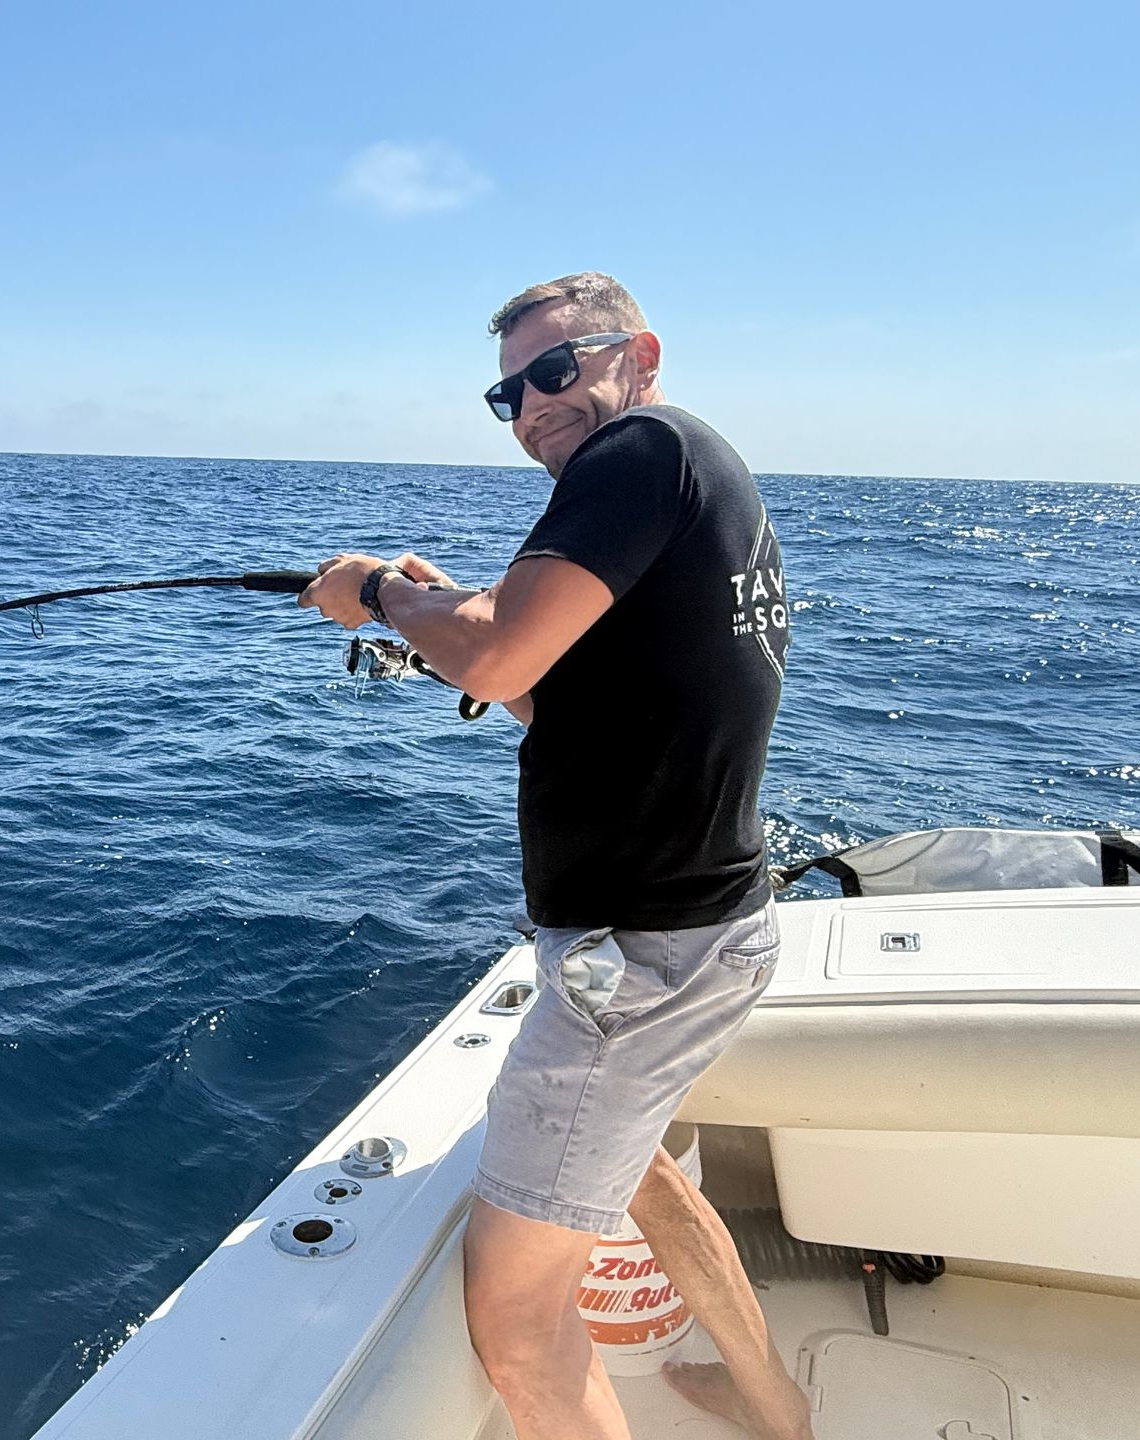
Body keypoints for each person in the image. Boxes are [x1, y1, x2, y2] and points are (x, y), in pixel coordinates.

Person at [297, 272, 807, 1440]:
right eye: (510, 391)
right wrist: (446, 618)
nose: (535, 402)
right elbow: (545, 691)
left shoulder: (635, 451)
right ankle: (783, 1411)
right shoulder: (701, 474)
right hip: (713, 928)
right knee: (647, 1178)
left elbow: (493, 660)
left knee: (518, 1326)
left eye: (556, 367)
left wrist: (376, 592)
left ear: (641, 354)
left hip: (640, 957)